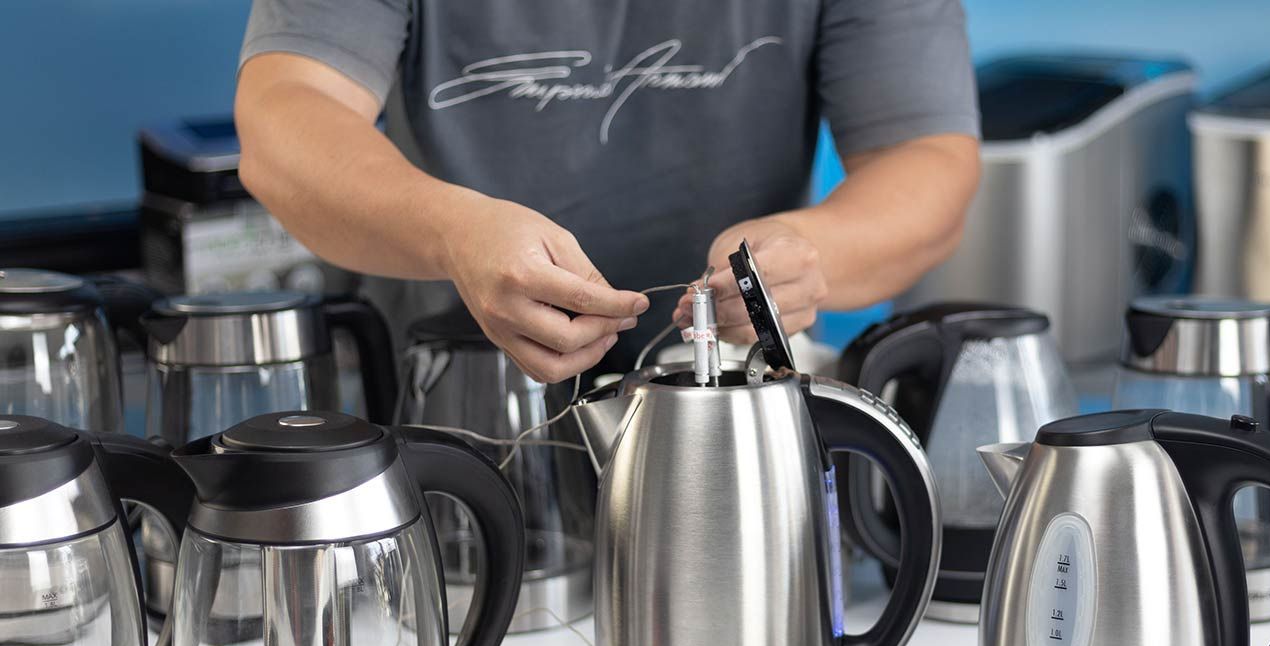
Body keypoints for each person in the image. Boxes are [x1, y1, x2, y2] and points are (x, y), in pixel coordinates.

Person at [235, 1, 980, 383]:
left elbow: (926, 162)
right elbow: (284, 120)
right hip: (451, 437)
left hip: (733, 437)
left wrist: (812, 251)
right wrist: (455, 233)